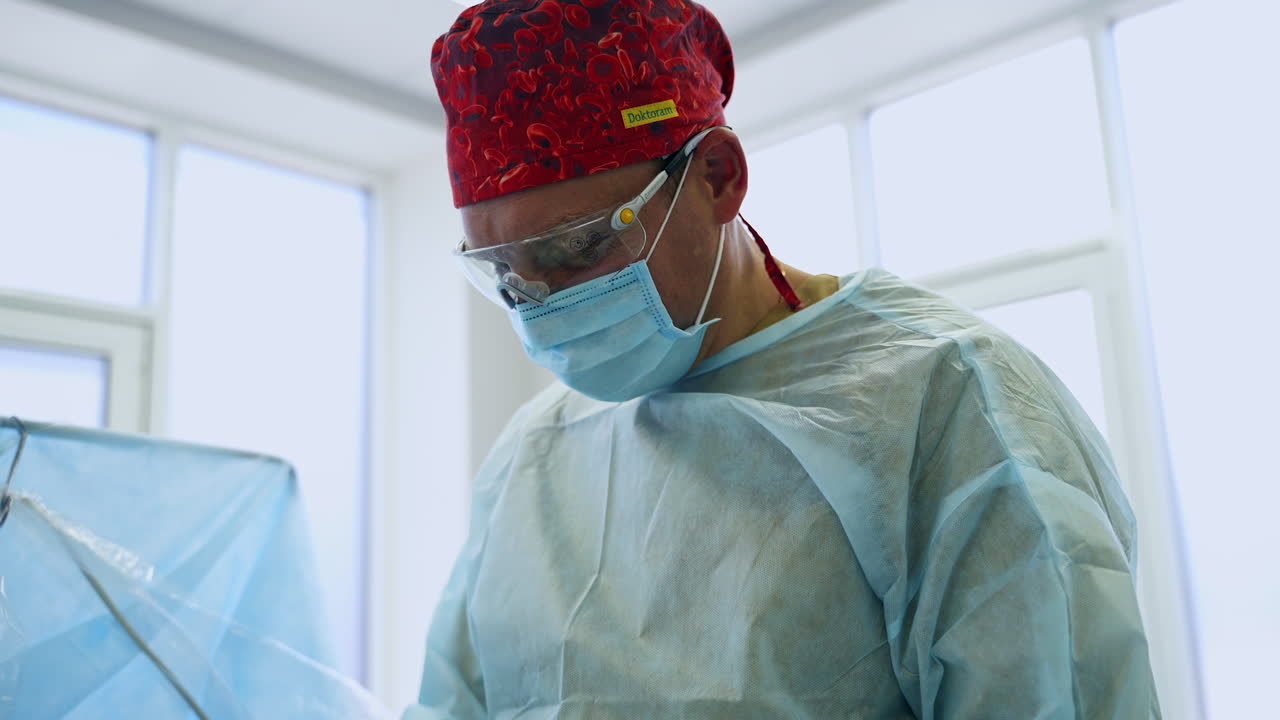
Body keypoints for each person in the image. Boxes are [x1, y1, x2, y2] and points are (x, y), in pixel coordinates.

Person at [406, 1, 1162, 717]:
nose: (542, 302)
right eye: (506, 273)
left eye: (578, 247)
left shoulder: (948, 408)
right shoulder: (531, 460)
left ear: (717, 178)